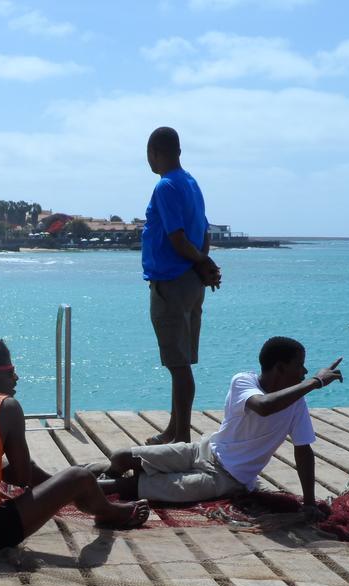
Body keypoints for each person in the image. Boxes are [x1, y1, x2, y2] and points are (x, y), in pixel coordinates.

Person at [0, 336, 150, 558]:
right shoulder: (5, 406)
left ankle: (71, 491)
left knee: (18, 469)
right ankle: (110, 512)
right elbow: (21, 477)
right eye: (10, 372)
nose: (16, 377)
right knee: (79, 475)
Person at [99, 337, 343, 524]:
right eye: (299, 365)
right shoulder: (243, 381)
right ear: (279, 368)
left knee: (129, 487)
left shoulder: (297, 404)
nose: (304, 372)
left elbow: (303, 451)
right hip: (203, 451)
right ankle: (95, 479)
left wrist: (309, 503)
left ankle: (86, 488)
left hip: (226, 478)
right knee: (121, 458)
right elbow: (264, 406)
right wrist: (316, 382)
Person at [140, 126, 221, 446]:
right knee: (181, 361)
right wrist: (203, 262)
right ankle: (175, 428)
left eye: (148, 155)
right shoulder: (191, 183)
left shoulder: (165, 186)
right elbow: (204, 232)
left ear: (155, 153)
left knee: (178, 364)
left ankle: (182, 435)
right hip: (190, 283)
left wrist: (201, 263)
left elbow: (176, 237)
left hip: (171, 282)